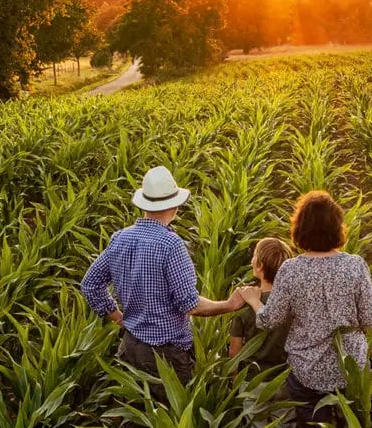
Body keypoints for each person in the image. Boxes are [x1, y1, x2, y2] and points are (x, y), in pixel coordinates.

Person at [81, 165, 250, 402]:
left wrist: (119, 317)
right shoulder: (171, 246)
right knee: (168, 420)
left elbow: (90, 284)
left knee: (136, 420)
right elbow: (190, 305)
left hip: (130, 346)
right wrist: (229, 305)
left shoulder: (120, 238)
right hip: (166, 355)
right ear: (175, 206)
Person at [240, 191, 372, 428]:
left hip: (306, 372)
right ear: (337, 227)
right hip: (351, 369)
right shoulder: (355, 265)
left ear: (299, 229)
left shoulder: (291, 270)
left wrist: (255, 301)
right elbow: (369, 321)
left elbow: (270, 320)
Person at [229, 238, 296, 428]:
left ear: (258, 266)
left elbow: (235, 352)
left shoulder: (244, 307)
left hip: (253, 382)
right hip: (286, 379)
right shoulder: (293, 303)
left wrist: (234, 380)